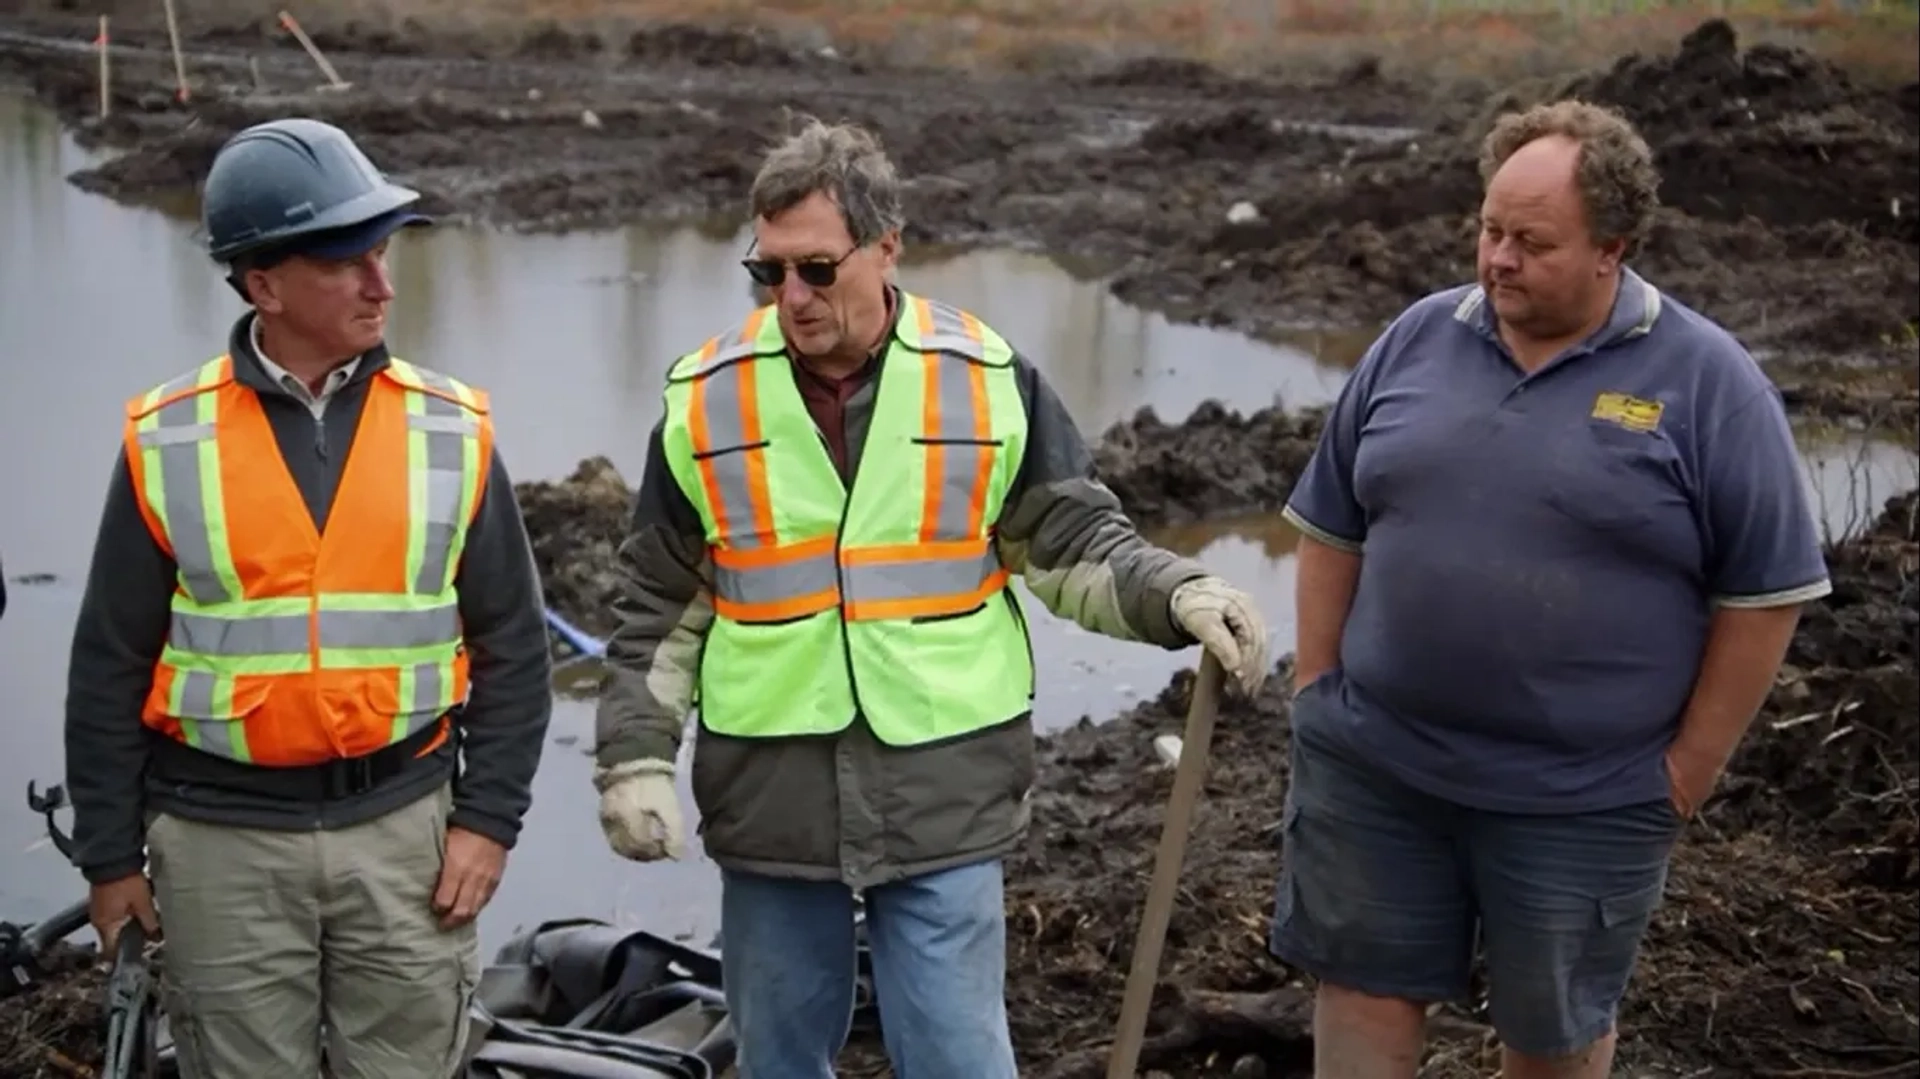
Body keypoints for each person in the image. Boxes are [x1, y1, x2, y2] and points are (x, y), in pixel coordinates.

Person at [592, 116, 1271, 1079]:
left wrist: (1179, 592)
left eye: (818, 269)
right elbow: (658, 603)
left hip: (945, 786)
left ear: (885, 248)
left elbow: (1071, 542)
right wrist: (632, 758)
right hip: (771, 793)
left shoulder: (985, 378)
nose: (791, 296)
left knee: (958, 1056)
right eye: (769, 271)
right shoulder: (707, 397)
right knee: (779, 1054)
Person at [1269, 98, 1832, 1079]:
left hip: (1581, 796)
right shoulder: (1415, 338)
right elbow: (1331, 525)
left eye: (1532, 242)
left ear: (1614, 245)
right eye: (1490, 230)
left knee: (1552, 1032)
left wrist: (1686, 770)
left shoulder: (1710, 384)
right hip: (1379, 767)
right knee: (1361, 991)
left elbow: (1765, 593)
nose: (1497, 260)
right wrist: (1318, 688)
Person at [63, 117, 554, 1079]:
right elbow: (108, 663)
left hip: (405, 837)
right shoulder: (168, 439)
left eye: (382, 254)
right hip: (220, 849)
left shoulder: (452, 430)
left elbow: (515, 648)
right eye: (347, 263)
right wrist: (110, 859)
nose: (382, 283)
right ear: (262, 282)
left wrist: (487, 821)